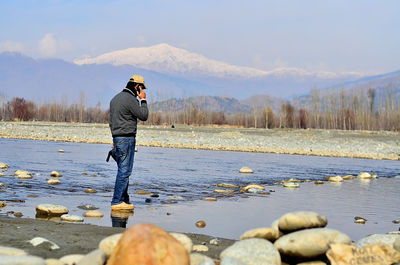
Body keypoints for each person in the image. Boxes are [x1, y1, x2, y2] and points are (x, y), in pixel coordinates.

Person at [108, 74, 149, 211]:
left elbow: (111, 121)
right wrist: (143, 100)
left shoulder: (115, 99)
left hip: (117, 138)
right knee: (125, 171)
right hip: (127, 139)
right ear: (137, 87)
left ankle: (124, 199)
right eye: (142, 89)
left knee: (122, 170)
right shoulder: (131, 100)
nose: (142, 92)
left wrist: (114, 139)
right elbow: (143, 116)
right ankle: (117, 201)